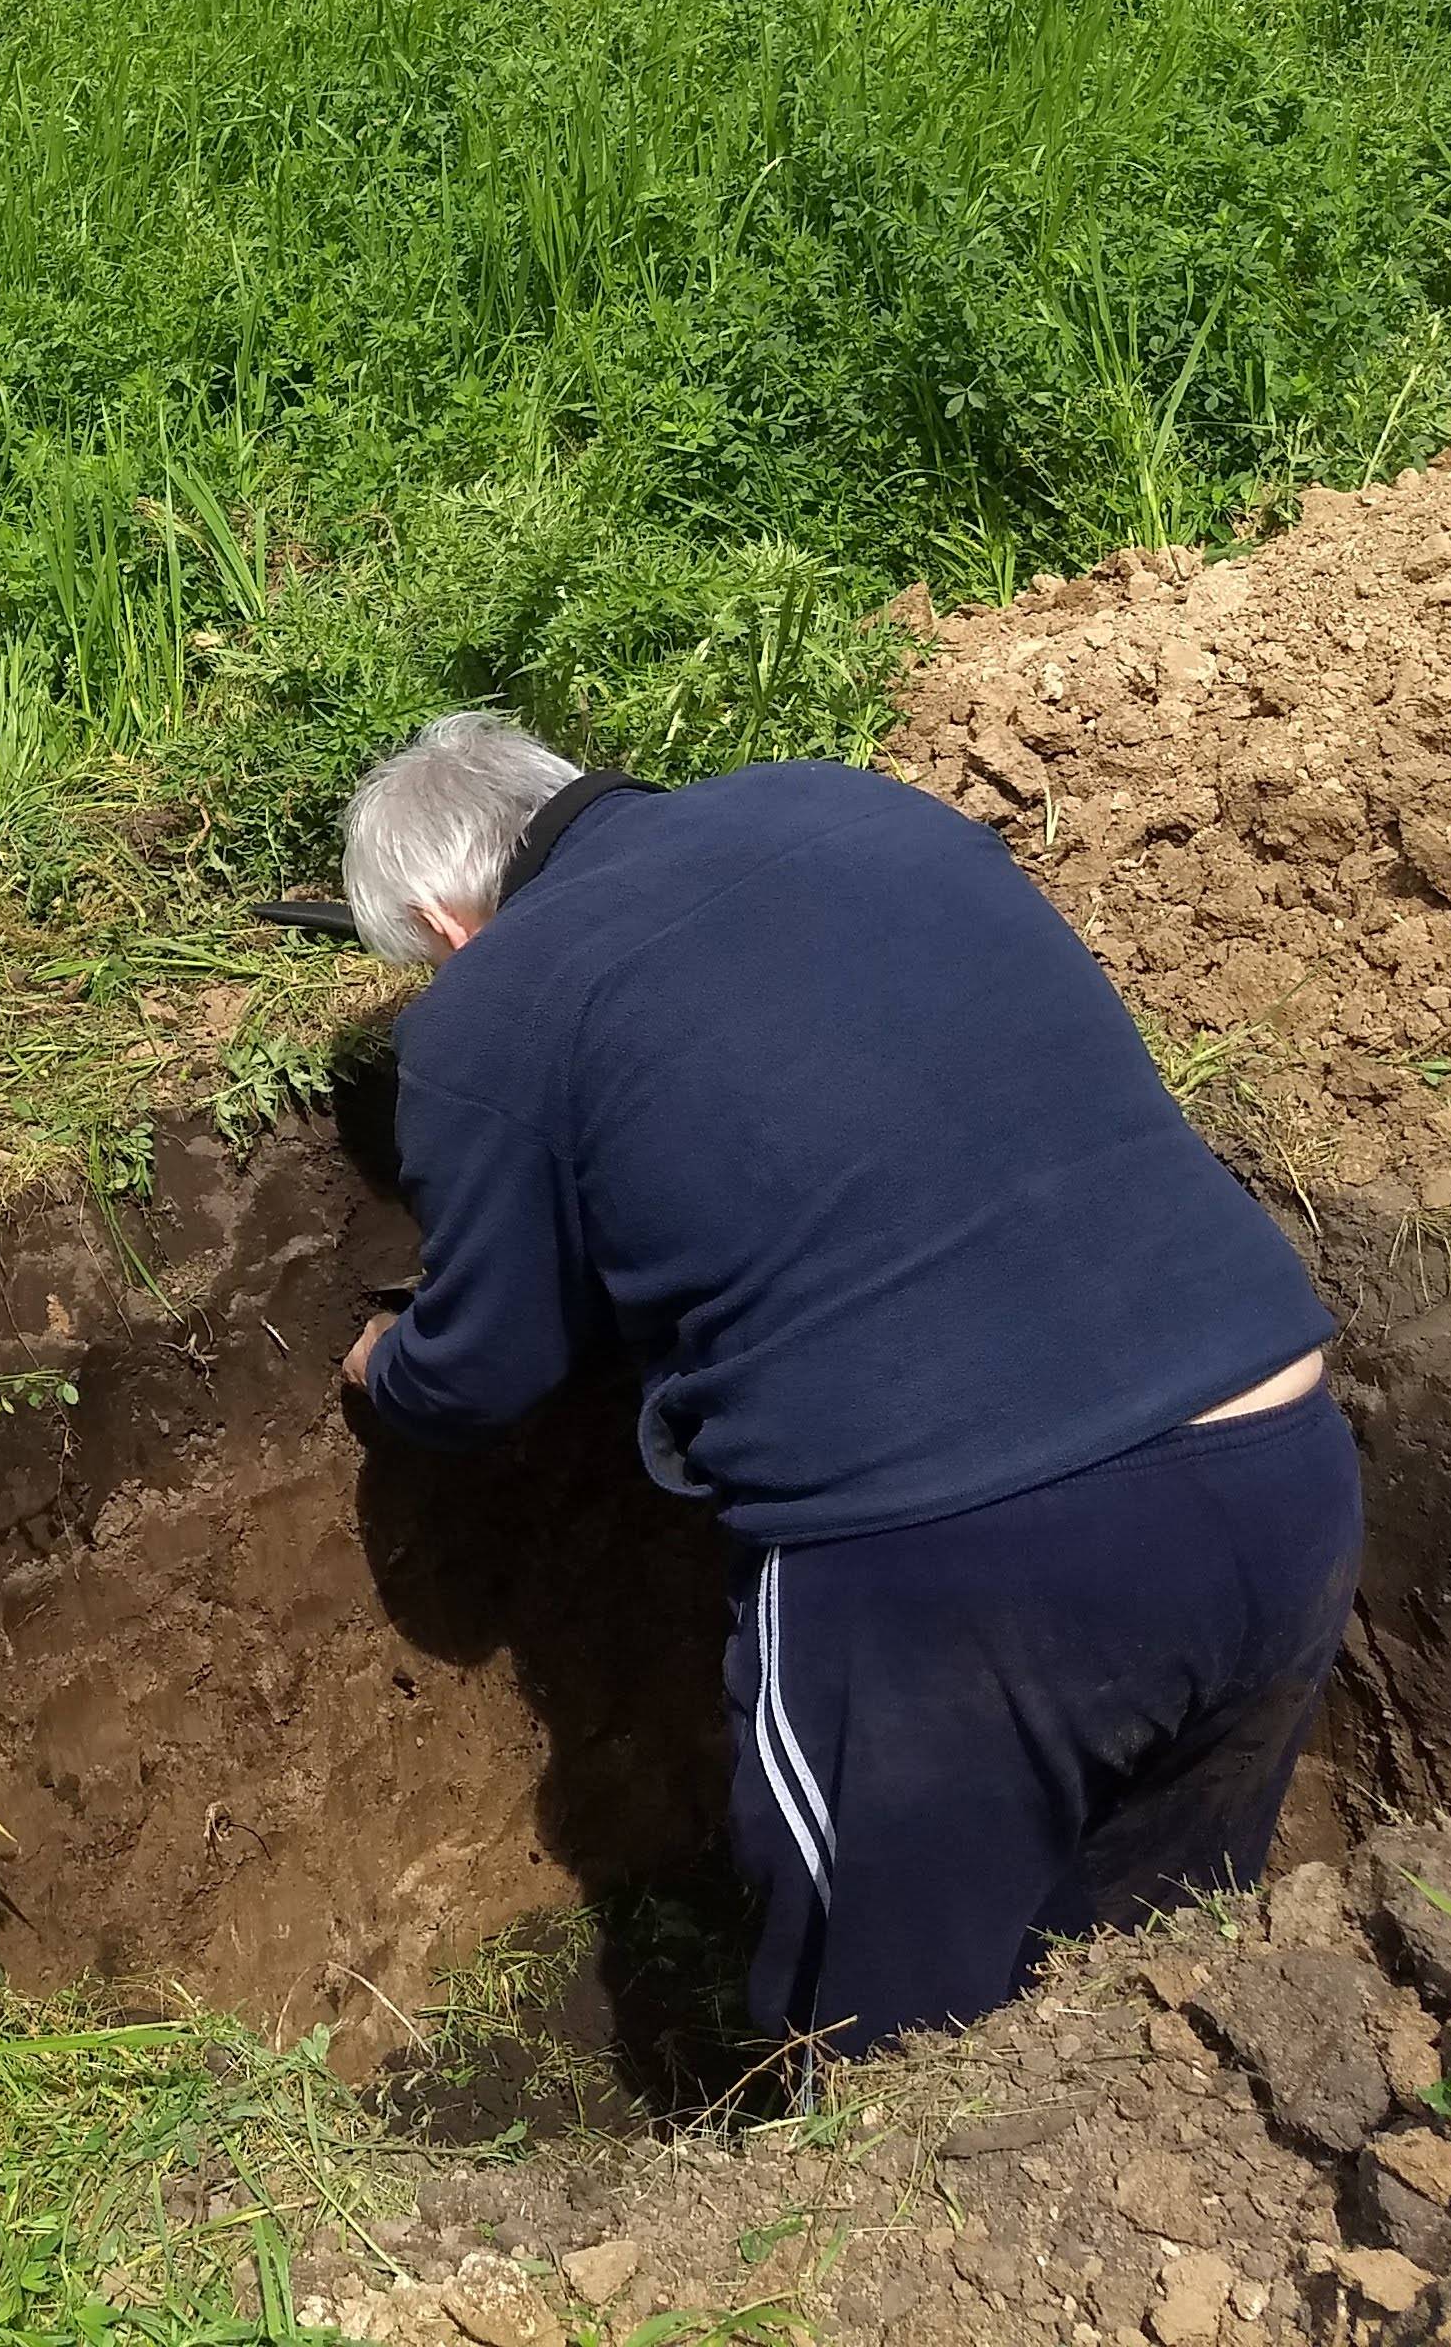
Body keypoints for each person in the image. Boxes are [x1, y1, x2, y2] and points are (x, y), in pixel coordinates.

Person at [322, 714, 1357, 2062]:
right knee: (1159, 2008)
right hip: (1281, 1457)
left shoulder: (492, 1004)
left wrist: (386, 1365)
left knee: (890, 2070)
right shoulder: (857, 807)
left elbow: (482, 1365)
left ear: (441, 923)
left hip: (961, 1576)